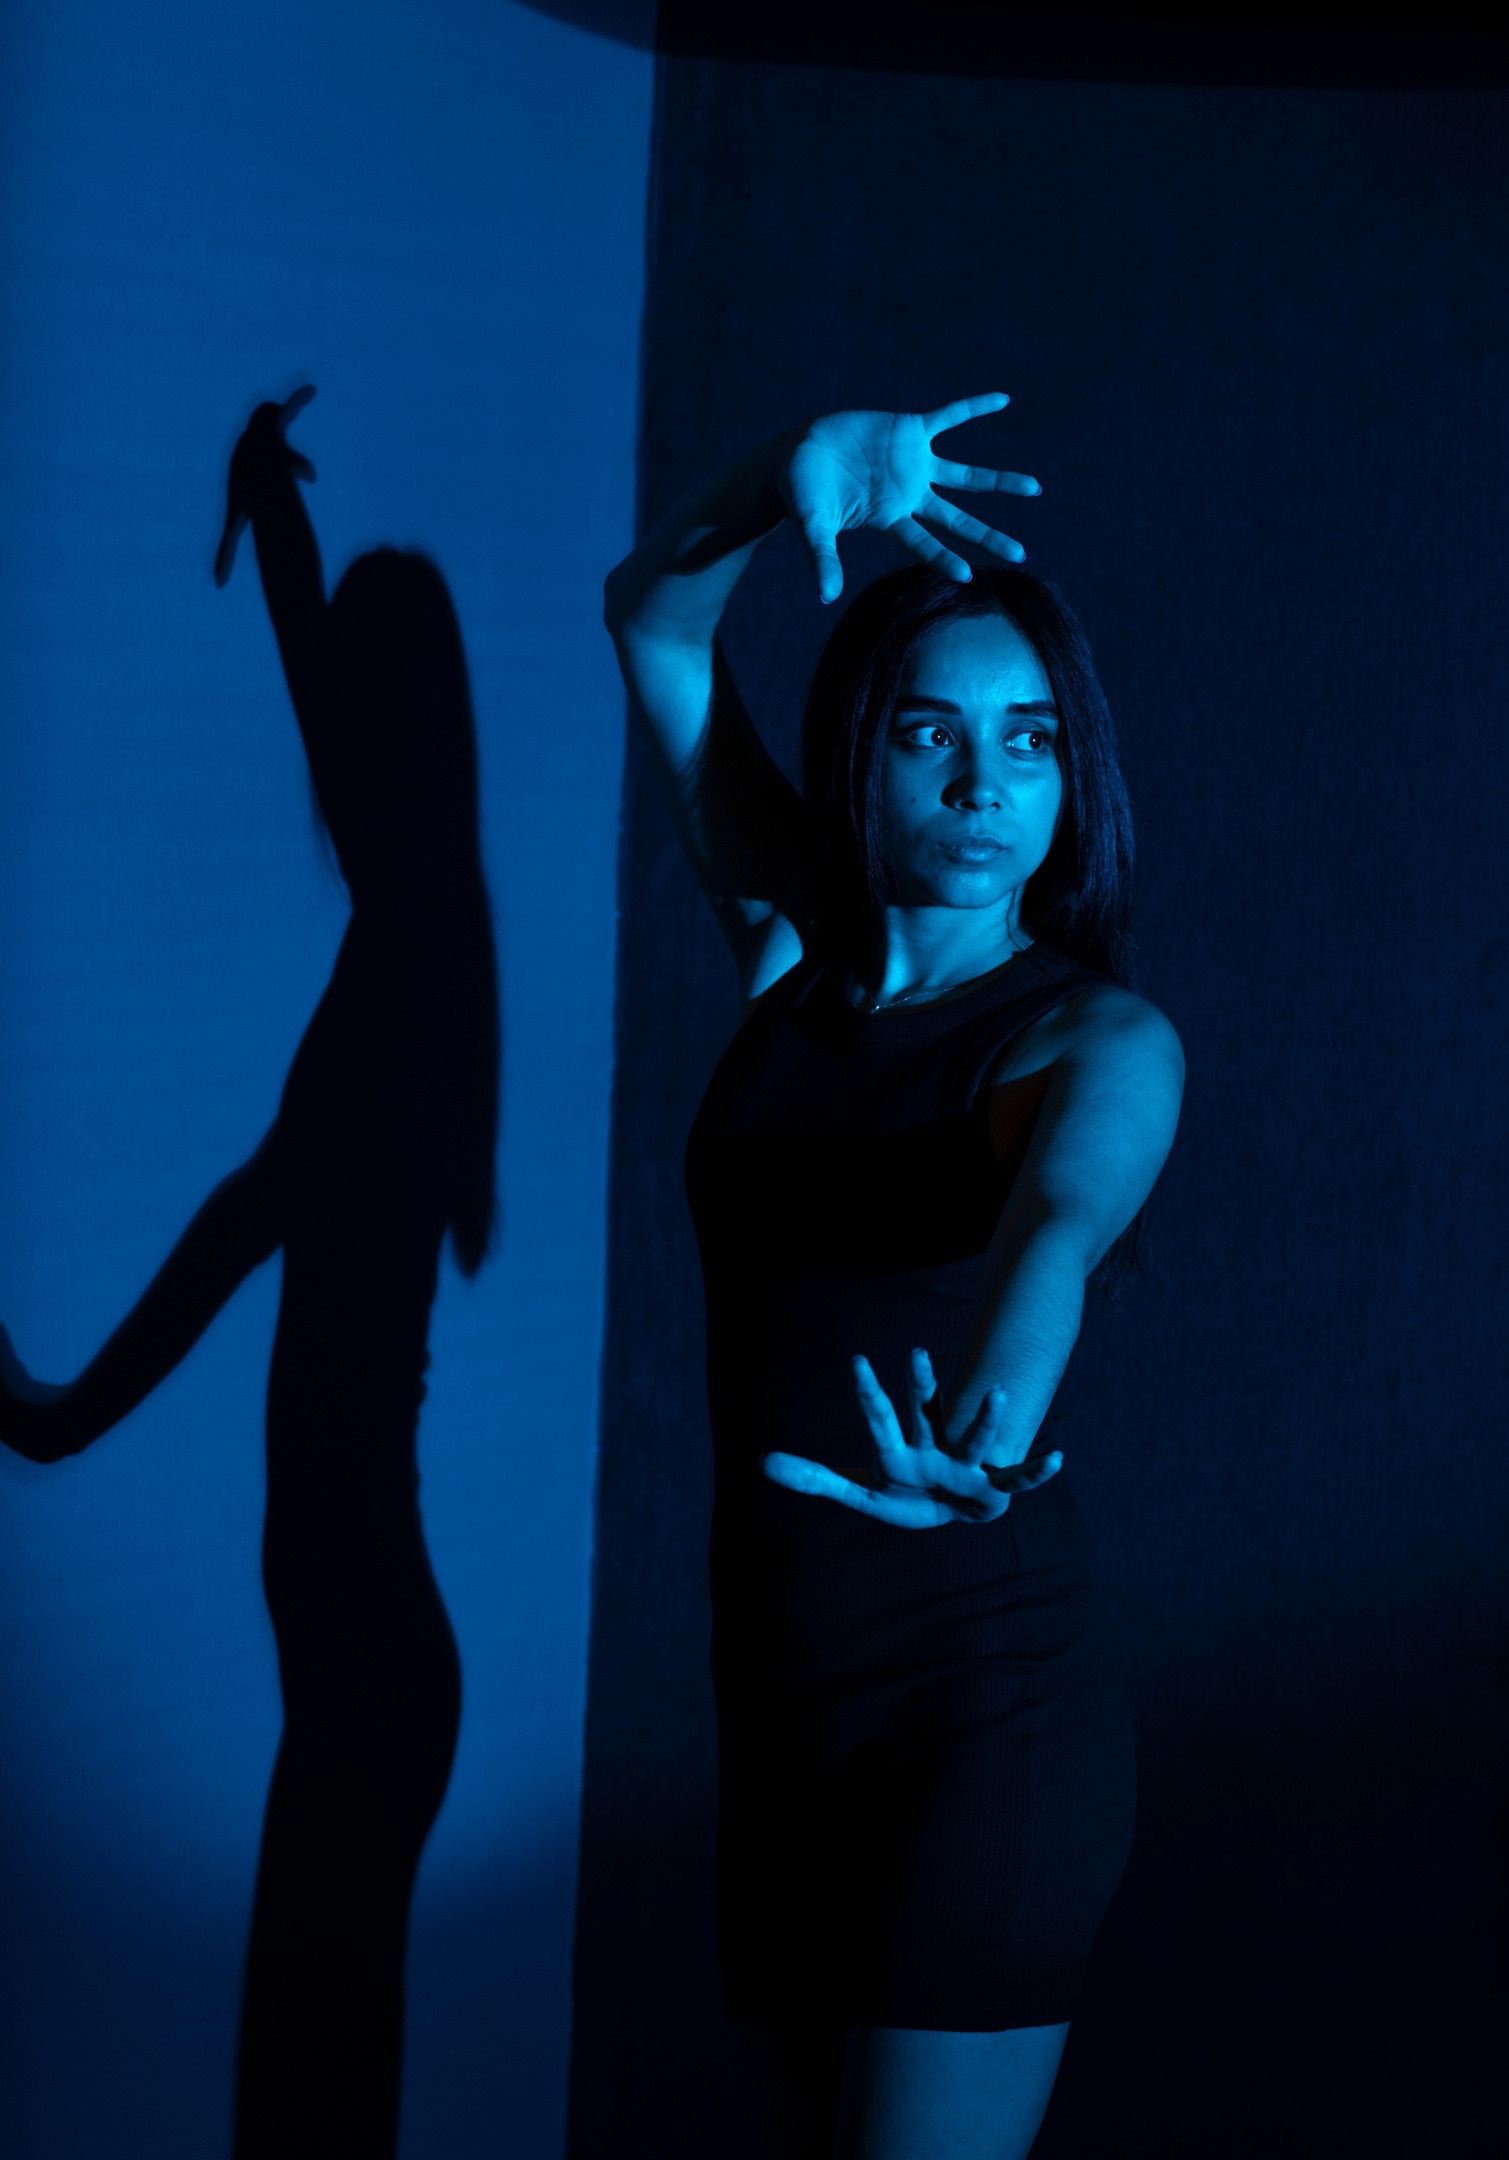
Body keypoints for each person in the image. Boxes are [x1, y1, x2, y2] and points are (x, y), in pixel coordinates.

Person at [603, 394, 1185, 2160]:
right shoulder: (790, 948)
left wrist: (986, 1433)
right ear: (861, 746)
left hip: (983, 1714)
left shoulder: (1093, 1039)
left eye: (1029, 740)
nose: (983, 785)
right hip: (785, 1714)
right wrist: (773, 483)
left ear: (1072, 774)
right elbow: (653, 616)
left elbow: (1055, 1230)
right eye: (931, 732)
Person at [0, 390, 499, 2160]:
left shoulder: (412, 968)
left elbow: (241, 1218)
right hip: (359, 1663)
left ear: (397, 737)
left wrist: (56, 1414)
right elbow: (322, 702)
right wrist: (269, 515)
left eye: (359, 709)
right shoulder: (418, 934)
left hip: (366, 1667)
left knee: (301, 2115)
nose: (329, 748)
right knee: (308, 2105)